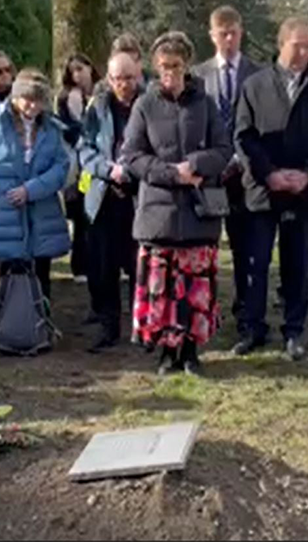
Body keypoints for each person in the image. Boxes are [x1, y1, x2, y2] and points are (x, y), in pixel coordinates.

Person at [121, 31, 232, 375]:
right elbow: (132, 156)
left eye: (176, 66)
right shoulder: (145, 105)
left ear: (187, 66)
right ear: (155, 67)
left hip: (198, 213)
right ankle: (166, 352)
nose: (170, 72)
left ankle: (190, 350)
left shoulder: (206, 103)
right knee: (163, 290)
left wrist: (196, 165)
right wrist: (171, 173)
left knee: (195, 289)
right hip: (159, 213)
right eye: (164, 67)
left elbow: (224, 150)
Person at [232, 17, 308, 362]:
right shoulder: (255, 85)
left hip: (303, 192)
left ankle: (294, 331)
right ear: (282, 44)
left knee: (297, 264)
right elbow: (244, 136)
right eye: (300, 45)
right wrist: (269, 174)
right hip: (264, 192)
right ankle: (253, 327)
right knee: (256, 263)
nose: (307, 52)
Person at [0, 69, 71, 299]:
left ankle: (40, 327)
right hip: (5, 213)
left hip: (41, 214)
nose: (33, 107)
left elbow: (61, 166)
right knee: (5, 278)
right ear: (16, 97)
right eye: (28, 100)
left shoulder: (51, 128)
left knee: (41, 278)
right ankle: (4, 328)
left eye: (39, 101)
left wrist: (31, 190)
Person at [192, 5, 262, 334]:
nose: (229, 39)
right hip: (209, 176)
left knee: (245, 248)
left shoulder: (257, 74)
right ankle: (207, 307)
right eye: (223, 34)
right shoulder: (198, 75)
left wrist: (240, 158)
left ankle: (245, 310)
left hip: (245, 174)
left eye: (234, 33)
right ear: (212, 36)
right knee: (205, 247)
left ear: (241, 33)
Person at [78, 52, 144, 352]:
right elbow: (85, 149)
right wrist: (107, 169)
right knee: (104, 267)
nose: (124, 85)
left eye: (129, 78)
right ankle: (108, 327)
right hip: (104, 196)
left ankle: (142, 327)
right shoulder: (98, 107)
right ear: (108, 79)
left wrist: (133, 170)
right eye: (118, 79)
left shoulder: (149, 104)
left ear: (138, 75)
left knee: (138, 266)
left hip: (139, 197)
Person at [56, 53, 100, 284]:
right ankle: (80, 265)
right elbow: (68, 130)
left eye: (81, 68)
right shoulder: (66, 99)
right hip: (77, 166)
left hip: (98, 162)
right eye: (73, 70)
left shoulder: (101, 94)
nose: (78, 74)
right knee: (81, 214)